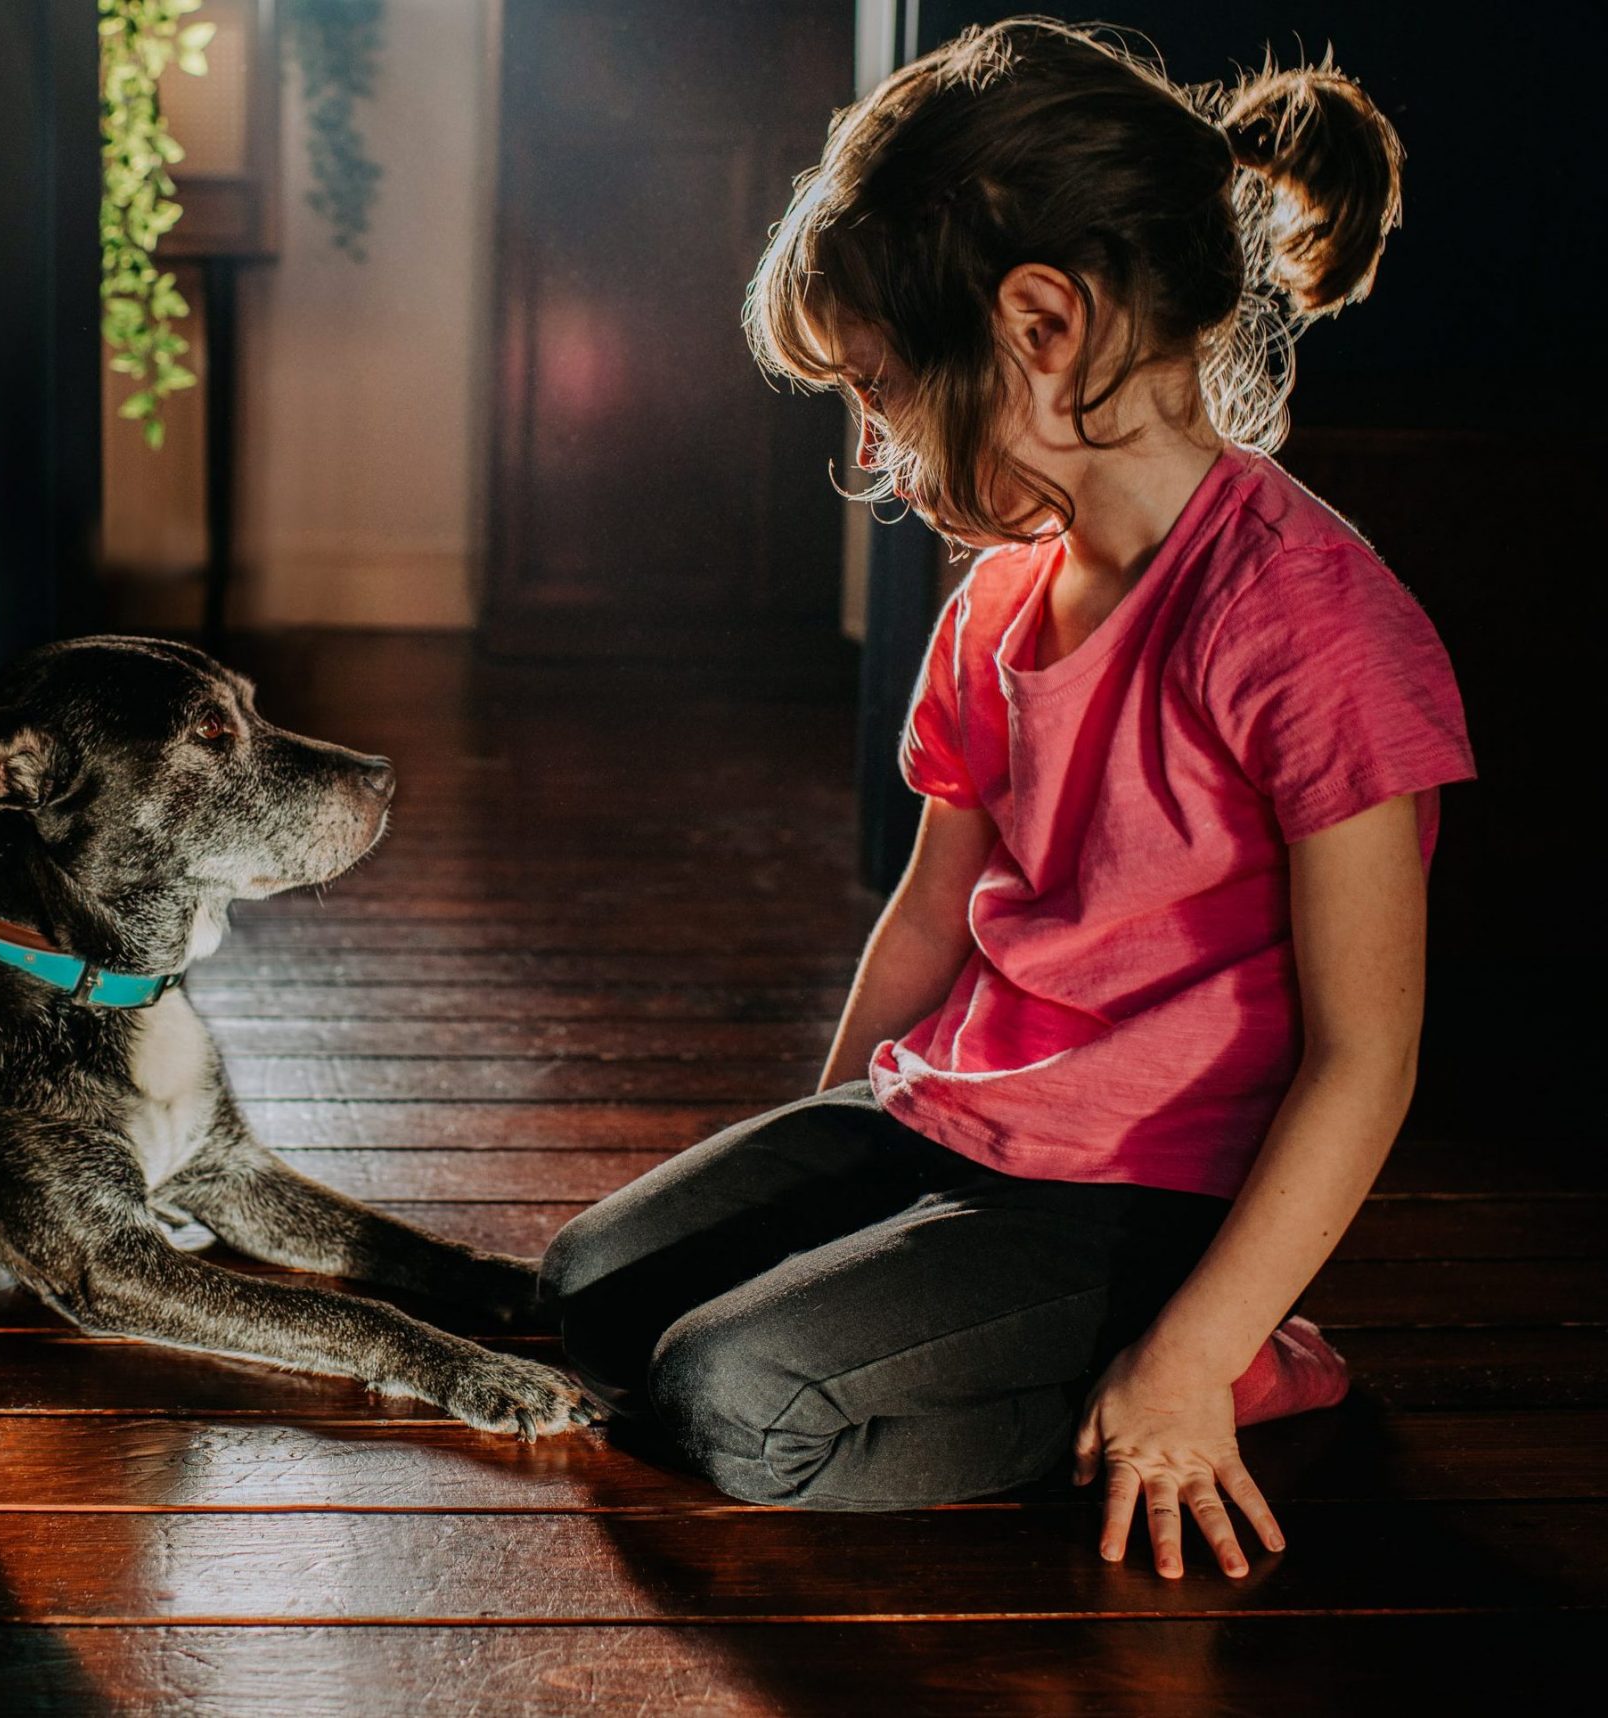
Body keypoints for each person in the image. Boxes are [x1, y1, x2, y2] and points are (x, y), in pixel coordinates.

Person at [540, 17, 1473, 1581]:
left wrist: (1188, 1352)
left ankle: (1226, 1361)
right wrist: (827, 1145)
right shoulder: (995, 602)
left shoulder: (1314, 626)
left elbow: (1365, 1061)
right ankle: (978, 1316)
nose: (871, 442)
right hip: (956, 1121)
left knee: (735, 1402)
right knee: (582, 1291)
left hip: (1141, 1203)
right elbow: (927, 912)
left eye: (886, 388)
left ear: (1042, 323)